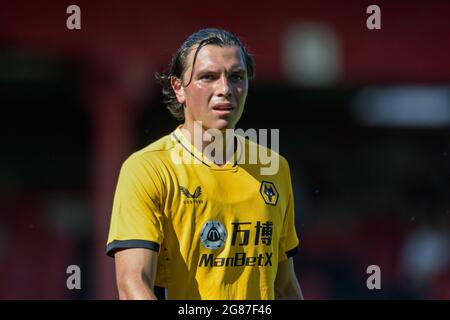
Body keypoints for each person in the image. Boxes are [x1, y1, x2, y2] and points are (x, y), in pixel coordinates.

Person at [106, 28, 303, 300]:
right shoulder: (147, 169)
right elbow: (133, 284)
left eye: (236, 77)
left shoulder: (274, 168)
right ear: (178, 88)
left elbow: (284, 286)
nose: (224, 90)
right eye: (207, 77)